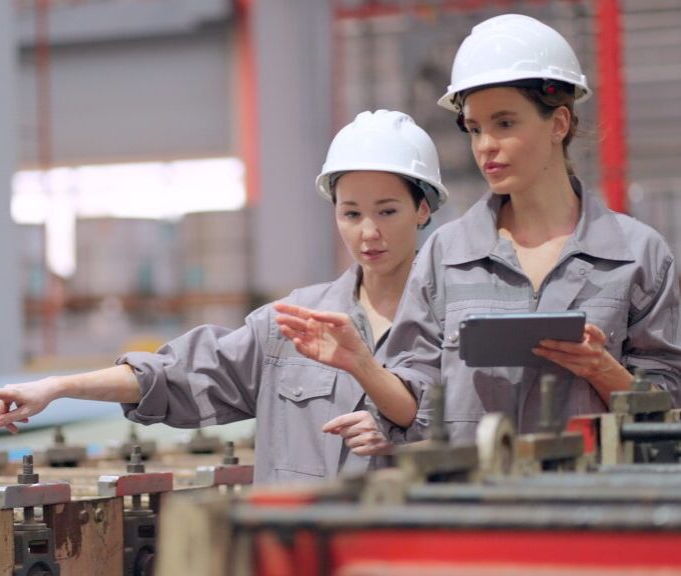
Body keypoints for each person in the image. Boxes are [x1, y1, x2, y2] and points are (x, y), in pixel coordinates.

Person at [0, 110, 449, 483]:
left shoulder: (455, 323)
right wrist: (57, 387)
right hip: (297, 550)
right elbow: (175, 375)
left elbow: (477, 433)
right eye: (351, 213)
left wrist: (407, 433)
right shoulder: (293, 325)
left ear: (422, 209)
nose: (368, 232)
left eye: (387, 211)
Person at [275, 14, 681, 443]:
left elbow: (668, 405)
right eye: (474, 129)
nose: (485, 145)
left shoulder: (637, 255)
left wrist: (602, 368)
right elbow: (415, 408)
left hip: (590, 484)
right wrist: (362, 364)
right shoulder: (447, 255)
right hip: (473, 486)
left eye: (504, 124)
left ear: (559, 123)